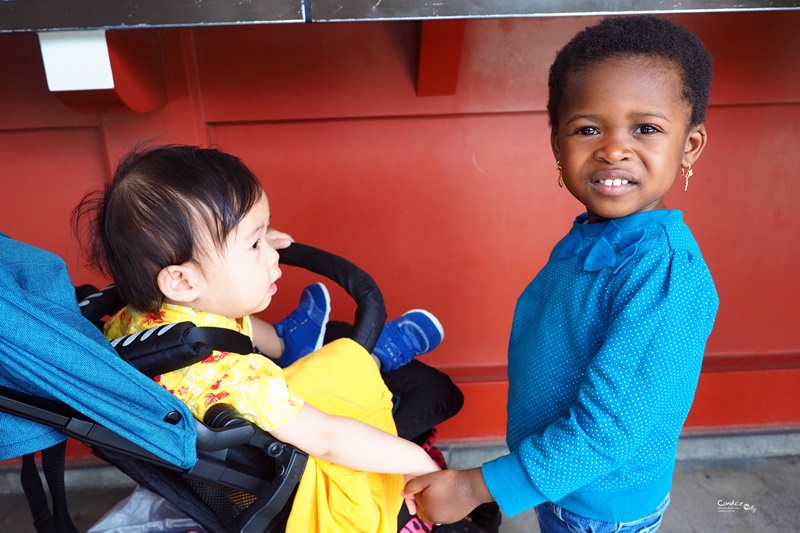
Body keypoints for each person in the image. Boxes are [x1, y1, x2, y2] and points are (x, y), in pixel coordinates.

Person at [404, 15, 719, 533]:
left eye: (646, 128)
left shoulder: (663, 278)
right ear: (557, 145)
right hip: (557, 483)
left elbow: (608, 430)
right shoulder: (592, 236)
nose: (613, 148)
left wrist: (474, 487)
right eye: (588, 128)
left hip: (600, 507)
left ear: (689, 146)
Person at [73, 144, 441, 532]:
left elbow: (220, 298)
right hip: (288, 455)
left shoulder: (136, 318)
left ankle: (286, 341)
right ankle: (374, 357)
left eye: (265, 232)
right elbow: (328, 437)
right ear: (182, 280)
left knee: (229, 318)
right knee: (346, 359)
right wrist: (417, 460)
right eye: (253, 244)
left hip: (216, 416)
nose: (273, 255)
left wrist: (256, 237)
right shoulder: (237, 380)